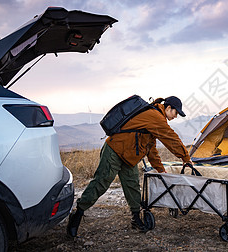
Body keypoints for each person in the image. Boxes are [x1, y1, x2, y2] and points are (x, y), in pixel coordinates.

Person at [67, 96, 192, 237]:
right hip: (115, 150)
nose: (176, 116)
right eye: (176, 113)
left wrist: (160, 169)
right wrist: (186, 158)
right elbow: (170, 138)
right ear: (168, 108)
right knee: (101, 182)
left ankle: (136, 218)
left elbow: (151, 148)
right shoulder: (155, 116)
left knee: (132, 185)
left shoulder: (155, 117)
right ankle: (77, 214)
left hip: (130, 155)